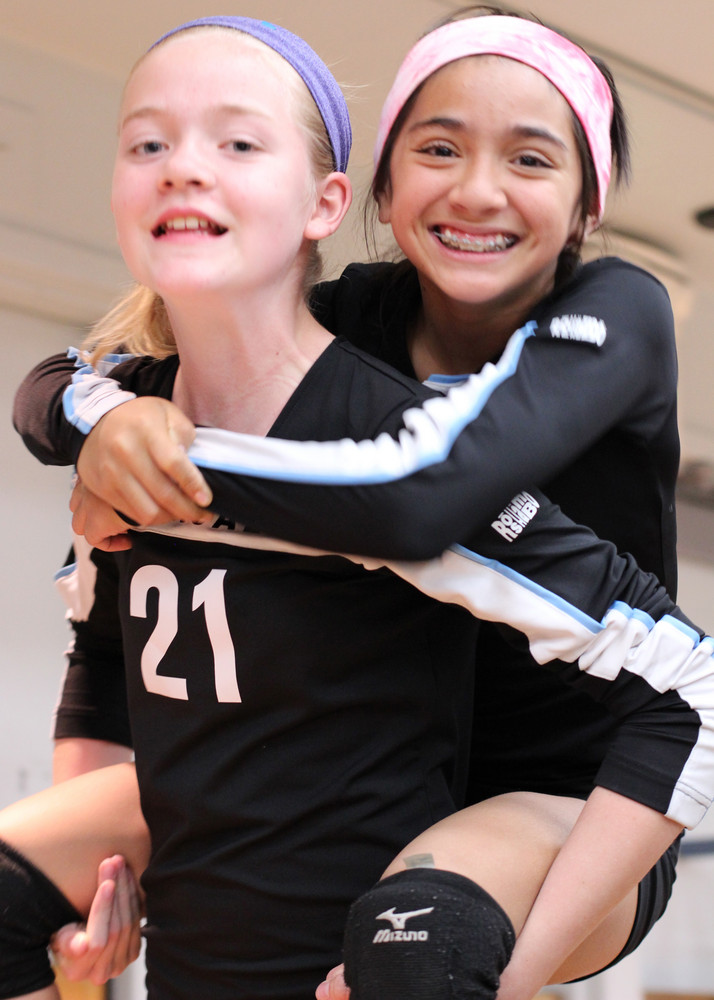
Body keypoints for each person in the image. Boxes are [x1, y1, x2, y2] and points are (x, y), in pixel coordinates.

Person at [9, 9, 714, 1000]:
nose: (477, 189)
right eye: (438, 148)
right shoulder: (348, 320)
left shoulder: (615, 310)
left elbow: (418, 496)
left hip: (579, 788)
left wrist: (173, 476)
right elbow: (74, 376)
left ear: (586, 209)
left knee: (419, 947)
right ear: (377, 191)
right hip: (407, 753)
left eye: (530, 159)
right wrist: (104, 432)